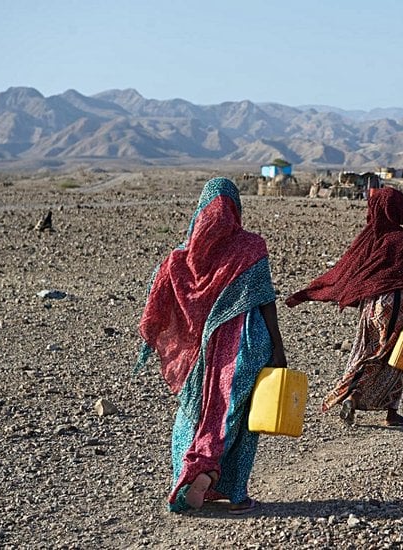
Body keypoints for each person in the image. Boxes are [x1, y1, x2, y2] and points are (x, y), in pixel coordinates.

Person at [136, 177, 286, 514]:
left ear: (201, 209)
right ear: (236, 208)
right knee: (236, 417)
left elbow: (157, 304)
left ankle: (190, 477)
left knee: (196, 412)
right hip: (247, 345)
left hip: (198, 354)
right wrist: (278, 349)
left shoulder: (179, 258)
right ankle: (230, 491)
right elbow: (266, 300)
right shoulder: (251, 247)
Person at [286, 187, 403, 427]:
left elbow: (353, 268)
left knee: (367, 352)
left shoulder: (371, 237)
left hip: (370, 306)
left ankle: (353, 397)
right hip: (395, 304)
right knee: (394, 356)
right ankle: (387, 411)